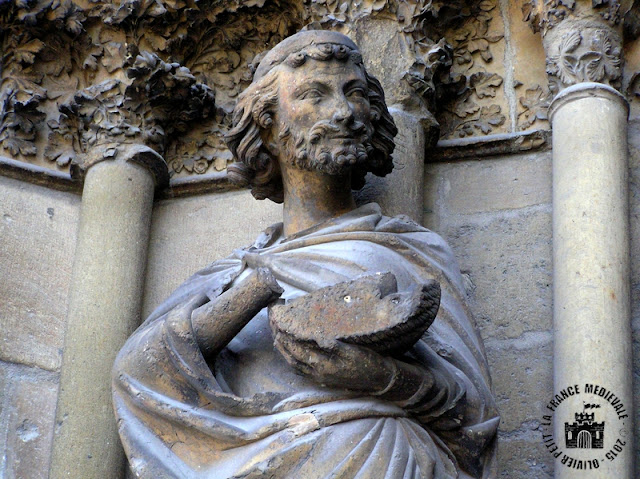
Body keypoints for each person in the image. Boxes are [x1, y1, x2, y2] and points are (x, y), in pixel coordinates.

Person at [112, 30, 499, 478]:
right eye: (314, 95)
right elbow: (137, 374)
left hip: (379, 456)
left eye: (354, 93)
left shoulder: (410, 250)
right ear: (267, 127)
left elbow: (473, 413)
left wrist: (379, 377)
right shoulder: (229, 275)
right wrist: (255, 289)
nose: (344, 113)